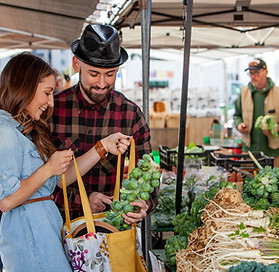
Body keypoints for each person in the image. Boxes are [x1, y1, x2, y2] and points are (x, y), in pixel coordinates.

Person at [0, 52, 131, 272]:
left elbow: (61, 179)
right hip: (31, 237)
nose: (51, 102)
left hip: (43, 232)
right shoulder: (5, 132)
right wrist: (47, 169)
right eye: (47, 93)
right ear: (26, 88)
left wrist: (102, 147)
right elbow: (6, 200)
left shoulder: (22, 131)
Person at [48, 24, 157, 225]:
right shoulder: (51, 110)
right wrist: (82, 201)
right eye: (93, 74)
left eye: (110, 74)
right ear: (76, 64)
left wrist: (145, 204)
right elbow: (39, 182)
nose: (101, 83)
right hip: (58, 228)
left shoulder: (131, 114)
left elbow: (150, 171)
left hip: (112, 230)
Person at [233, 58, 279, 166]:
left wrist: (276, 128)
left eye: (257, 73)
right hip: (249, 152)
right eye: (251, 73)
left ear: (266, 72)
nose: (253, 76)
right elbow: (237, 115)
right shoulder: (244, 92)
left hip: (273, 152)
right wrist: (239, 125)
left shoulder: (277, 93)